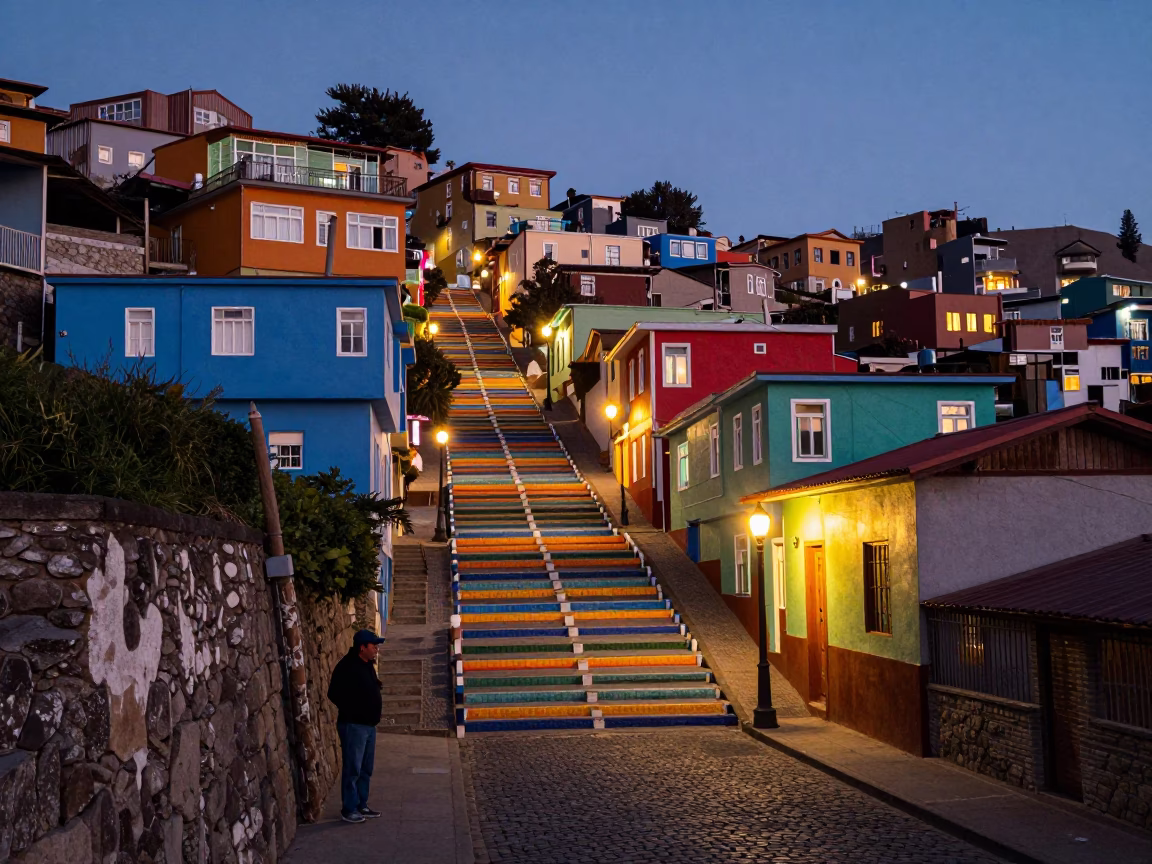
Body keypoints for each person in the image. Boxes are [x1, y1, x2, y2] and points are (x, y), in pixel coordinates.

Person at [327, 628, 386, 823]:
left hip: (369, 726)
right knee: (352, 768)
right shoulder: (347, 666)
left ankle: (362, 804)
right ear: (362, 647)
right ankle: (349, 808)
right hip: (354, 725)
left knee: (365, 768)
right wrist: (352, 710)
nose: (376, 649)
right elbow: (334, 693)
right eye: (373, 646)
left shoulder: (367, 664)